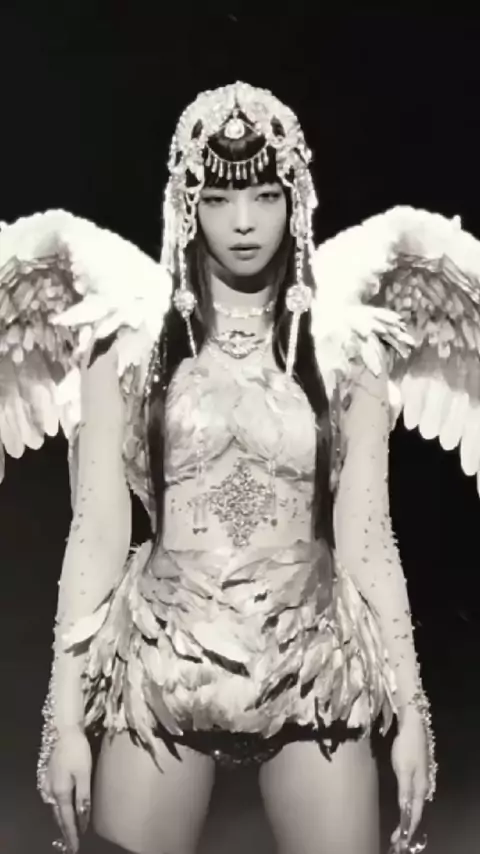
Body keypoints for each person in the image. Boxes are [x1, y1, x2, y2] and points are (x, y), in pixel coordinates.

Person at [2, 83, 440, 854]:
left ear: (295, 201)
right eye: (219, 197)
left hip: (315, 667)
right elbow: (97, 529)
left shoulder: (345, 345)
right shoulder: (125, 340)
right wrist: (63, 721)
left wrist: (411, 712)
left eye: (266, 196)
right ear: (186, 204)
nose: (243, 222)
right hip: (164, 667)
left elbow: (369, 534)